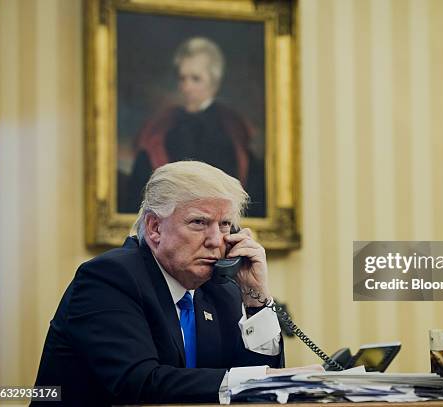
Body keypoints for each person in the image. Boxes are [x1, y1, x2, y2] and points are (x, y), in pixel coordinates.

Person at [34, 161, 318, 406]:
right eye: (199, 222)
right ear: (155, 227)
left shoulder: (220, 289)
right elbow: (140, 383)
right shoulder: (109, 278)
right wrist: (263, 379)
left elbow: (259, 388)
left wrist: (256, 299)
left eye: (224, 225)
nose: (216, 241)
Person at [121, 37, 266, 217]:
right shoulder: (161, 127)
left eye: (195, 79)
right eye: (182, 79)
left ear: (214, 84)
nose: (186, 87)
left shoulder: (233, 130)